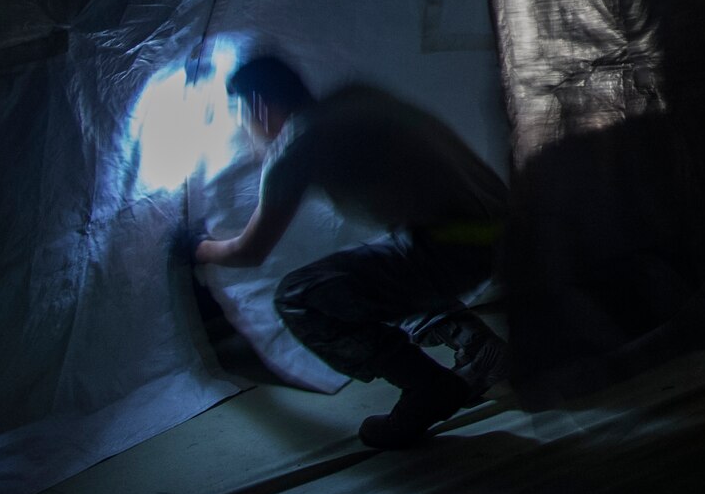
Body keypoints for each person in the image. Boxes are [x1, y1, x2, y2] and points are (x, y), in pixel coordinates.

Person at [192, 57, 512, 448]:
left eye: (242, 117)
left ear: (257, 105)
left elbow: (249, 251)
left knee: (300, 296)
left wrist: (200, 248)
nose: (245, 129)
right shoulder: (358, 96)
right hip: (503, 231)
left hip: (455, 249)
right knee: (376, 267)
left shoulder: (298, 143)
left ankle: (428, 387)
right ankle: (479, 347)